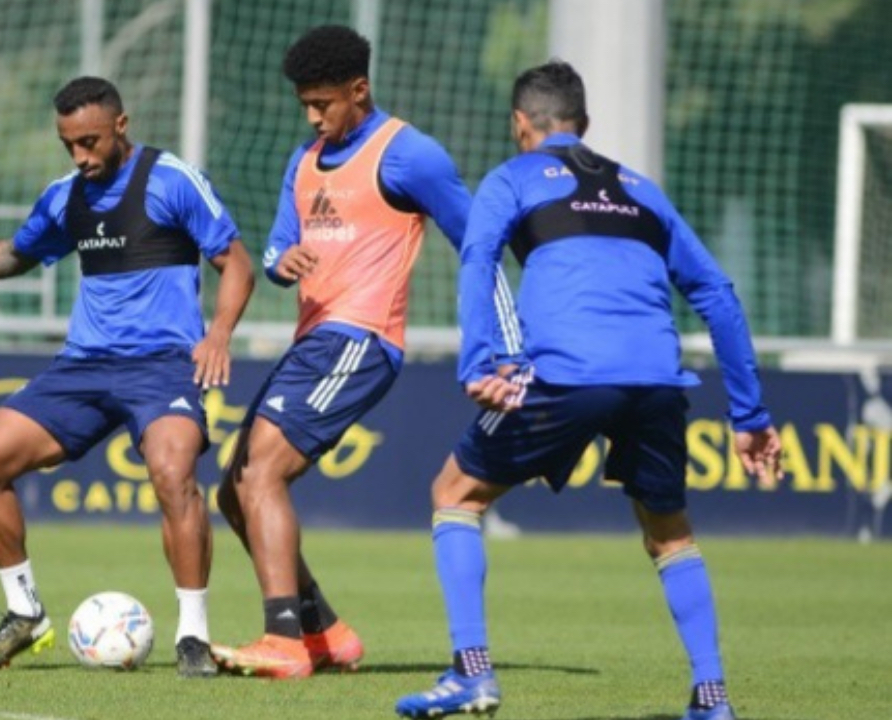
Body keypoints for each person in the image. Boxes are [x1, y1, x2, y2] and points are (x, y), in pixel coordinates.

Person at [394, 61, 783, 720]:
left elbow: (479, 258)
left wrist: (479, 362)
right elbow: (718, 294)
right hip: (656, 379)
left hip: (565, 373)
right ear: (585, 124)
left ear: (520, 123)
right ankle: (713, 699)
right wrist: (750, 413)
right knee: (670, 535)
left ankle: (471, 673)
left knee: (454, 493)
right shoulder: (642, 190)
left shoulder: (512, 177)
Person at [0, 77, 255, 677]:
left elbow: (237, 262)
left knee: (174, 473)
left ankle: (193, 636)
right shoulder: (65, 197)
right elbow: (8, 257)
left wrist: (218, 334)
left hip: (162, 365)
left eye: (89, 141)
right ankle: (25, 613)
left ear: (121, 125)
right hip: (83, 366)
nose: (80, 156)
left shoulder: (172, 180)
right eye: (68, 144)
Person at [211, 25, 476, 679]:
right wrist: (282, 262)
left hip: (361, 339)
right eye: (304, 104)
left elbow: (477, 237)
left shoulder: (409, 154)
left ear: (359, 90)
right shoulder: (303, 161)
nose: (312, 116)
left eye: (322, 103)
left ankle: (283, 641)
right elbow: (277, 248)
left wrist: (499, 332)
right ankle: (326, 633)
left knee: (261, 474)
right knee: (233, 493)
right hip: (313, 341)